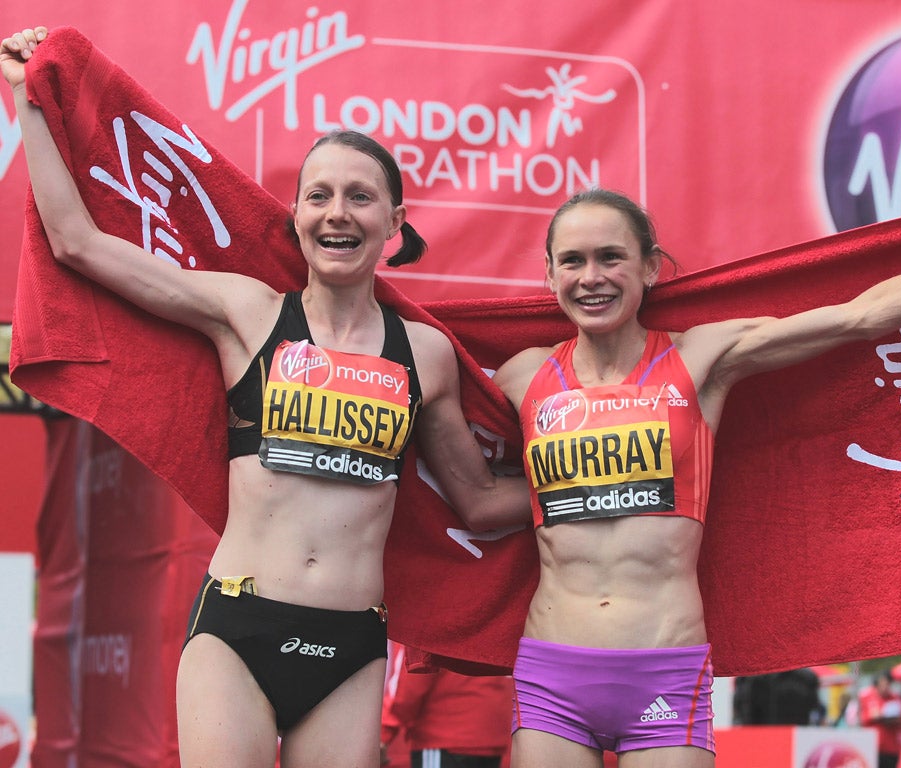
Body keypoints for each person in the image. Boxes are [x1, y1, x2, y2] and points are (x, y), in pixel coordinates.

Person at [1, 27, 529, 768]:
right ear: (296, 219)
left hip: (350, 647)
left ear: (395, 227)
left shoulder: (427, 353)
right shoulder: (247, 313)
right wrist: (29, 100)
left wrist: (593, 484)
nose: (337, 212)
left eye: (360, 198)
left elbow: (476, 502)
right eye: (319, 196)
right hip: (237, 631)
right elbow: (77, 243)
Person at [491, 187, 901, 767]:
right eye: (573, 260)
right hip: (551, 675)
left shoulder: (702, 357)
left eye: (610, 257)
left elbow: (861, 316)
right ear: (549, 274)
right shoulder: (522, 376)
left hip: (665, 671)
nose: (592, 277)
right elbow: (463, 480)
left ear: (649, 266)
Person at [381, 643, 514, 768]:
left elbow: (408, 687)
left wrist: (383, 735)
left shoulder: (427, 619)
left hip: (443, 738)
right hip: (491, 737)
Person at [858, 671, 901, 768]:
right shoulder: (866, 697)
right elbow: (860, 719)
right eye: (882, 684)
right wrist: (874, 716)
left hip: (890, 748)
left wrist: (886, 717)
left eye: (887, 684)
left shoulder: (895, 698)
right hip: (872, 747)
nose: (885, 687)